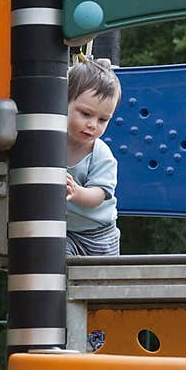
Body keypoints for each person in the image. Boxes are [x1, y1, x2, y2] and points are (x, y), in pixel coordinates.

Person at [65, 54, 122, 257]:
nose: (93, 125)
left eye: (103, 119)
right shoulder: (50, 143)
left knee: (102, 282)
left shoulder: (100, 154)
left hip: (99, 234)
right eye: (86, 114)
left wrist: (77, 192)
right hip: (64, 232)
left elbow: (99, 195)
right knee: (55, 264)